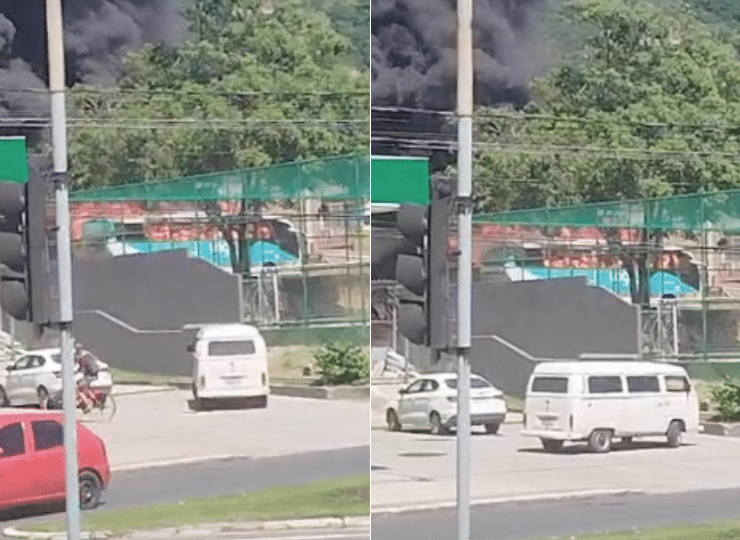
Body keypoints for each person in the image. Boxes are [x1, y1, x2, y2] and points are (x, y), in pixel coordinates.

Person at [75, 345, 99, 411]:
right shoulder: (87, 354)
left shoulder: (80, 357)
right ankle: (96, 402)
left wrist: (75, 372)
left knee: (80, 390)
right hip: (95, 373)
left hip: (89, 375)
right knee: (86, 388)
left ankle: (87, 404)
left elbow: (80, 367)